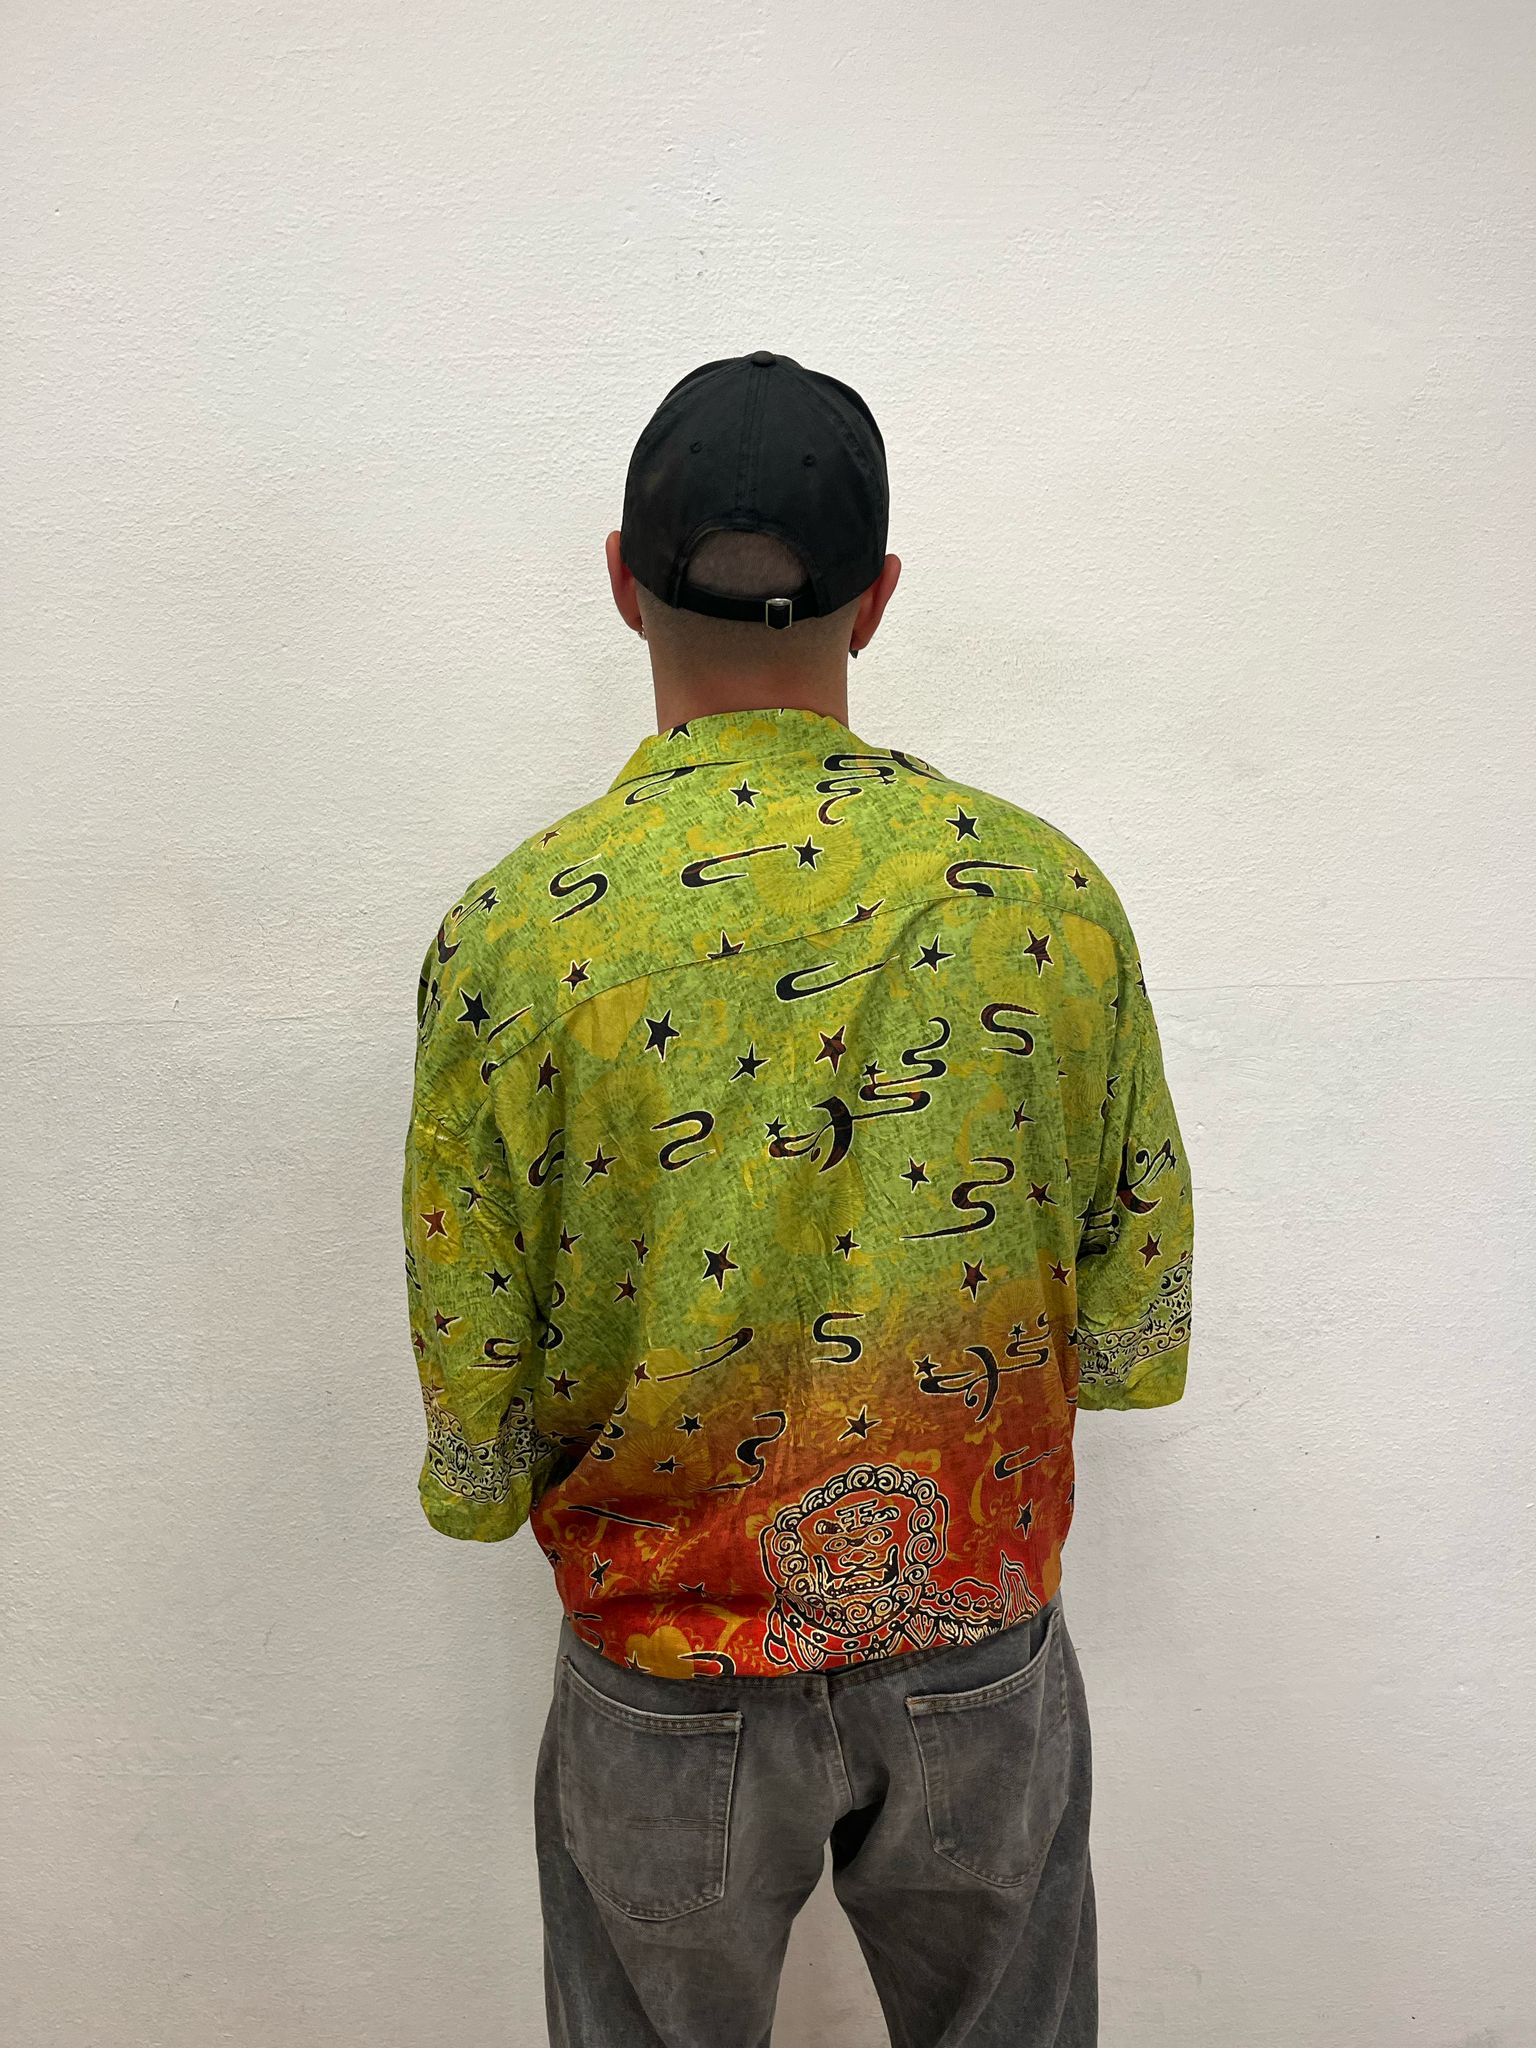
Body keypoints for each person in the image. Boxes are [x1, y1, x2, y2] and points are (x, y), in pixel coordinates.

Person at [401, 349, 1195, 2047]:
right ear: (878, 597)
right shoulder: (1047, 901)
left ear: (622, 582)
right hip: (977, 1643)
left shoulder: (515, 938)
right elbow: (1132, 1321)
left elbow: (476, 1379)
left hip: (666, 1662)